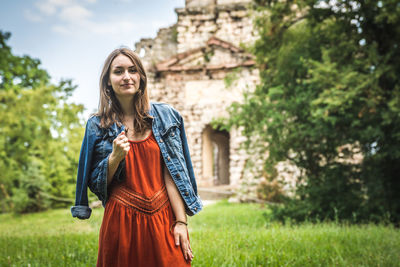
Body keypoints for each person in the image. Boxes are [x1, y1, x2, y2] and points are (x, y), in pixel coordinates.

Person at [71, 47, 202, 267]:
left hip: (163, 217)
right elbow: (95, 183)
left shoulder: (167, 116)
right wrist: (115, 158)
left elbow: (173, 173)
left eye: (133, 70)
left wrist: (181, 222)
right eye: (118, 71)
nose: (126, 77)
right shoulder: (97, 125)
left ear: (141, 77)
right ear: (107, 81)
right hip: (121, 220)